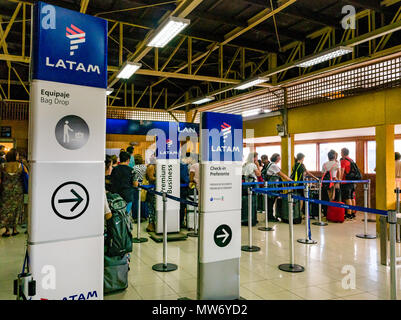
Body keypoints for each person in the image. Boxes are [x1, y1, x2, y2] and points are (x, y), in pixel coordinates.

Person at [0, 149, 24, 237]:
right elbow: (26, 175)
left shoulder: (2, 165)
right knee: (16, 209)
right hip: (17, 191)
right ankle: (14, 229)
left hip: (5, 191)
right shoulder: (20, 166)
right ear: (14, 156)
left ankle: (7, 230)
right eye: (17, 155)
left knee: (6, 210)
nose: (18, 156)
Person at [264, 153, 293, 221]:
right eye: (279, 158)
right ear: (276, 158)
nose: (280, 159)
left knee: (271, 201)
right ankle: (270, 217)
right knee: (271, 201)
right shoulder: (273, 165)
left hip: (270, 185)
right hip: (272, 186)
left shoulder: (271, 164)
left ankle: (270, 216)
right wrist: (290, 180)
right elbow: (281, 174)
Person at [340, 148, 357, 219]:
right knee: (352, 197)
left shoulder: (344, 161)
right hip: (352, 181)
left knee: (347, 198)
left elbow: (342, 171)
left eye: (341, 152)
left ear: (343, 153)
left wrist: (339, 180)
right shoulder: (351, 160)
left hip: (346, 181)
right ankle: (353, 212)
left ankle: (348, 214)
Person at [132, 154, 147, 222]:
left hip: (136, 186)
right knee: (143, 201)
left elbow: (133, 177)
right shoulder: (145, 167)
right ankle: (144, 216)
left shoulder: (134, 168)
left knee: (136, 202)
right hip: (144, 186)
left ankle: (136, 217)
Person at [145, 158, 157, 232]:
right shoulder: (151, 166)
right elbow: (151, 178)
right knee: (151, 209)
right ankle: (150, 225)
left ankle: (154, 225)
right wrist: (161, 177)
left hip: (156, 190)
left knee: (154, 208)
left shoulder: (156, 166)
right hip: (152, 191)